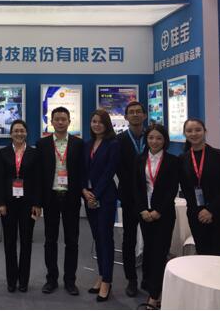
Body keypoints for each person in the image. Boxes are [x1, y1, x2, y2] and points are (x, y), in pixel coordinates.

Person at [36, 106, 84, 296]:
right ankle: (51, 279)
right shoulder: (42, 144)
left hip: (71, 197)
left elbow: (81, 172)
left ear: (69, 121)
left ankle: (70, 281)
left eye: (64, 119)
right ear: (52, 122)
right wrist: (38, 201)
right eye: (57, 119)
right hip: (51, 197)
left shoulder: (79, 144)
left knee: (72, 241)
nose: (60, 122)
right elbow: (39, 175)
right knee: (50, 240)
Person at [133, 124, 179, 310]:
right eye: (151, 137)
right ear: (147, 139)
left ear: (165, 140)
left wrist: (158, 210)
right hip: (145, 213)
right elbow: (136, 188)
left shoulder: (172, 161)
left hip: (164, 214)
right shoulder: (140, 159)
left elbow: (172, 189)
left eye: (159, 138)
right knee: (149, 250)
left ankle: (154, 296)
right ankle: (150, 283)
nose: (154, 141)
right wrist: (142, 209)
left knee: (160, 252)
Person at [0, 120, 41, 293]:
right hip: (8, 204)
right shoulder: (3, 153)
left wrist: (37, 203)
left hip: (28, 204)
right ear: (11, 134)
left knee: (26, 242)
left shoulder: (34, 153)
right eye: (15, 131)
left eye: (22, 130)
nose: (19, 133)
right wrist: (0, 203)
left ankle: (23, 280)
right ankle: (11, 280)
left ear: (26, 133)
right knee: (9, 243)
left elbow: (38, 180)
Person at [179, 118, 220, 256]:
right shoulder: (182, 159)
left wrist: (210, 210)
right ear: (185, 134)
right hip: (196, 214)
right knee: (202, 254)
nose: (194, 133)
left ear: (205, 131)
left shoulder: (219, 155)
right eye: (189, 131)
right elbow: (186, 190)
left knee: (219, 255)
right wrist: (200, 211)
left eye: (198, 130)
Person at [82, 109, 119, 302]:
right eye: (94, 121)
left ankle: (107, 281)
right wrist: (84, 190)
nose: (97, 124)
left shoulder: (113, 144)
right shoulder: (87, 144)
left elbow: (109, 171)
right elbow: (82, 170)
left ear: (107, 124)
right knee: (97, 237)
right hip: (88, 196)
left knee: (106, 238)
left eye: (100, 122)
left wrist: (95, 194)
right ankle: (101, 274)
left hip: (105, 198)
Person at [116, 101, 147, 296]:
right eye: (131, 112)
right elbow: (118, 168)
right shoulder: (119, 140)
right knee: (129, 239)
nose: (135, 115)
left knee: (151, 239)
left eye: (138, 112)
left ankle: (149, 278)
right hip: (129, 197)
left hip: (150, 197)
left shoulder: (153, 136)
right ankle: (131, 280)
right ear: (126, 117)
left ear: (144, 115)